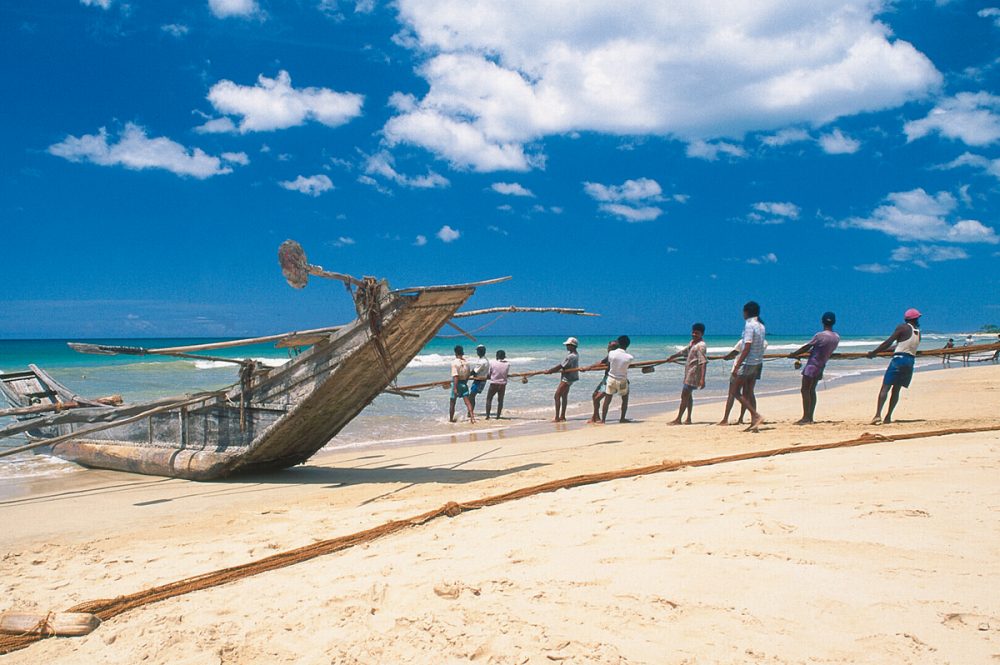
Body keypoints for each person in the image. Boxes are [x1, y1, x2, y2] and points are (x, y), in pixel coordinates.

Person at [867, 308, 921, 425]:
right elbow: (901, 345)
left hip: (899, 360)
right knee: (896, 390)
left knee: (885, 388)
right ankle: (888, 416)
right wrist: (883, 350)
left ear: (906, 319)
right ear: (915, 319)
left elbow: (889, 342)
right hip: (910, 361)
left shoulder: (902, 327)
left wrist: (874, 353)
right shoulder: (917, 332)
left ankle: (877, 415)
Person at [790, 312, 840, 425]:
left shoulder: (819, 335)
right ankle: (810, 417)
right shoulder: (836, 337)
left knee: (805, 390)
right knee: (812, 390)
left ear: (822, 321)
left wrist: (794, 353)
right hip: (821, 366)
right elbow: (821, 349)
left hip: (812, 365)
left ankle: (806, 417)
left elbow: (808, 346)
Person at [724, 301, 765, 431]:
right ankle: (754, 423)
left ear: (746, 312)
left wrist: (737, 365)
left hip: (748, 362)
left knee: (735, 391)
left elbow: (747, 347)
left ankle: (755, 415)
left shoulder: (749, 325)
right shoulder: (761, 326)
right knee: (749, 392)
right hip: (758, 362)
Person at [668, 323, 707, 425]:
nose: (694, 334)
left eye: (697, 333)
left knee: (684, 395)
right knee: (688, 396)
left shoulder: (701, 346)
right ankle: (688, 418)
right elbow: (685, 351)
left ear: (702, 334)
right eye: (693, 332)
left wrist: (702, 379)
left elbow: (703, 362)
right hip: (688, 372)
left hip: (693, 374)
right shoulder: (693, 343)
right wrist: (673, 356)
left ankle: (678, 419)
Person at [601, 335, 634, 423]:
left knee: (607, 400)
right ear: (627, 345)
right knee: (624, 399)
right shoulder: (630, 357)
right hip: (622, 380)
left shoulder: (611, 353)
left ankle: (603, 420)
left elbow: (609, 361)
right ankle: (622, 418)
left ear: (618, 343)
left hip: (611, 379)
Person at [545, 337, 580, 422]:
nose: (567, 347)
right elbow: (565, 366)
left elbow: (561, 365)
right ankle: (562, 416)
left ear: (573, 346)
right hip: (571, 377)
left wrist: (550, 371)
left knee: (557, 396)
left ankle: (557, 417)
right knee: (564, 396)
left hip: (567, 378)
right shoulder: (576, 354)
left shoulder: (571, 356)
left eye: (568, 345)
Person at [718, 340, 749, 425]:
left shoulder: (743, 341)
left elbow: (735, 352)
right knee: (746, 394)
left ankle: (725, 419)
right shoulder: (762, 342)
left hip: (739, 370)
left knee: (732, 394)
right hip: (750, 370)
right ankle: (741, 418)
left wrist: (727, 357)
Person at [587, 340, 618, 424]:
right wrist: (589, 367)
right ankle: (595, 417)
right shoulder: (609, 356)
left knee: (597, 399)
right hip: (606, 378)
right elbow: (600, 363)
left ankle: (598, 418)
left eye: (612, 347)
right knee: (594, 395)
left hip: (612, 379)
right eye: (610, 347)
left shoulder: (616, 356)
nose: (610, 348)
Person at [449, 345, 475, 423]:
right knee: (467, 402)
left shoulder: (454, 362)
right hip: (464, 383)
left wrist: (455, 388)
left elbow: (455, 376)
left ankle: (451, 419)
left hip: (457, 384)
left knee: (452, 402)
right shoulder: (466, 363)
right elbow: (468, 375)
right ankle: (472, 417)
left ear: (455, 353)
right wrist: (465, 382)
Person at [485, 349, 510, 419]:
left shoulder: (492, 363)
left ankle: (487, 416)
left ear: (497, 356)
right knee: (500, 400)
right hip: (502, 384)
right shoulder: (507, 364)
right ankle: (498, 416)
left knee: (489, 399)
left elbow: (489, 374)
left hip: (494, 383)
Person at [468, 344, 490, 411]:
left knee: (471, 396)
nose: (477, 352)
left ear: (479, 352)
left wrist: (465, 375)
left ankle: (470, 412)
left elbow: (474, 371)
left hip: (479, 381)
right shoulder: (485, 360)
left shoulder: (482, 361)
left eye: (477, 351)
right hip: (481, 380)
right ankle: (471, 412)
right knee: (472, 396)